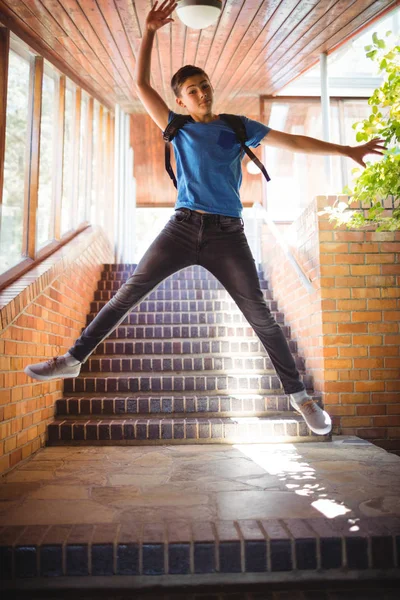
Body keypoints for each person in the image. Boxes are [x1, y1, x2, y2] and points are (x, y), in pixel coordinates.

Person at [24, 0, 385, 436]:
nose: (202, 92)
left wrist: (347, 150)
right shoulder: (176, 127)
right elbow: (139, 84)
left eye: (205, 85)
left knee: (262, 316)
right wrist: (151, 31)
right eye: (193, 89)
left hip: (228, 235)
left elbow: (294, 141)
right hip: (181, 227)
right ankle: (72, 360)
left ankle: (301, 399)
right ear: (180, 100)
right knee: (127, 293)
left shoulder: (237, 127)